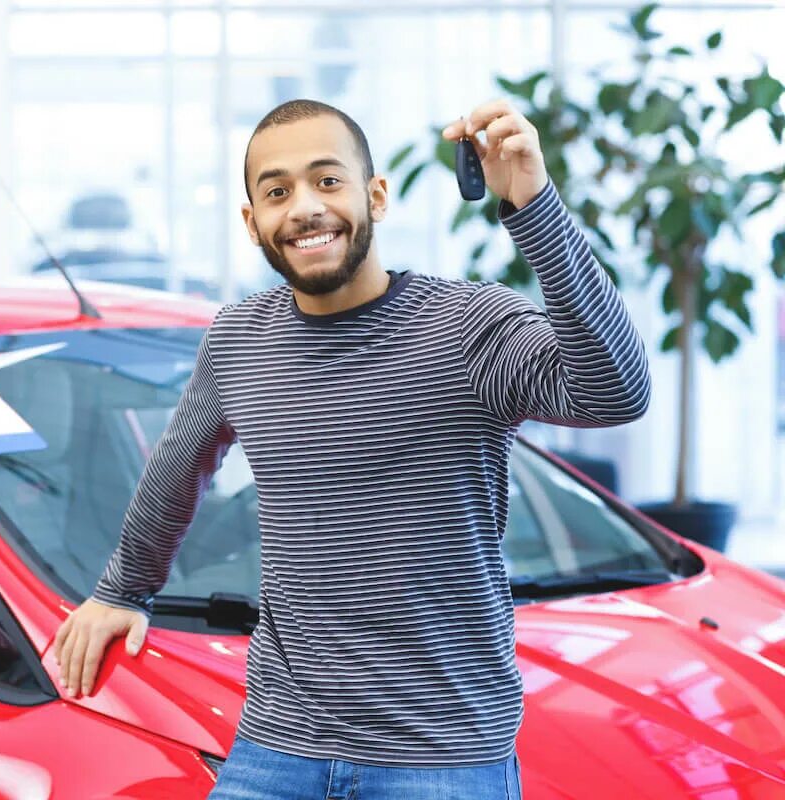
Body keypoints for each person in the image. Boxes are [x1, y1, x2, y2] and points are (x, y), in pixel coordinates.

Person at [51, 98, 651, 799]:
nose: (305, 207)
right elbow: (177, 471)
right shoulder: (239, 339)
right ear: (253, 224)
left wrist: (533, 203)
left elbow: (615, 393)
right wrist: (123, 589)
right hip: (276, 747)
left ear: (376, 196)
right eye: (277, 192)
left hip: (442, 756)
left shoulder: (468, 327)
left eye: (328, 181)